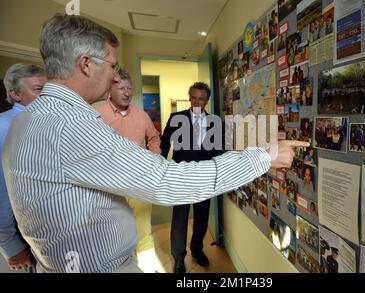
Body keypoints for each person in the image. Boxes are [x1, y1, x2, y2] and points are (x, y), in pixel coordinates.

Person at [2, 14, 307, 273]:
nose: (113, 78)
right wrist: (262, 157)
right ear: (85, 63)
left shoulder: (28, 119)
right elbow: (164, 179)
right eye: (111, 67)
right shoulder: (70, 124)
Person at [96, 68, 161, 273]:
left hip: (139, 182)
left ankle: (147, 268)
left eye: (129, 88)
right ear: (109, 90)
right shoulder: (97, 115)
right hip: (109, 186)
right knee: (114, 232)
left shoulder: (142, 115)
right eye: (121, 88)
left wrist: (154, 158)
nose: (126, 92)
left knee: (143, 231)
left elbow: (154, 138)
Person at [160, 82, 224, 273]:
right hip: (181, 177)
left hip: (205, 177)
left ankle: (197, 249)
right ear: (190, 97)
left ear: (207, 100)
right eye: (194, 97)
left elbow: (220, 150)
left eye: (201, 98)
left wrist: (221, 172)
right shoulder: (176, 118)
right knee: (179, 218)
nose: (197, 101)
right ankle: (179, 258)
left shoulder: (215, 122)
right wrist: (160, 166)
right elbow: (165, 144)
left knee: (202, 217)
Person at [0, 64, 46, 272]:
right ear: (15, 94)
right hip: (24, 231)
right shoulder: (4, 126)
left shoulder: (44, 122)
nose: (47, 96)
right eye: (38, 90)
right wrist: (10, 244)